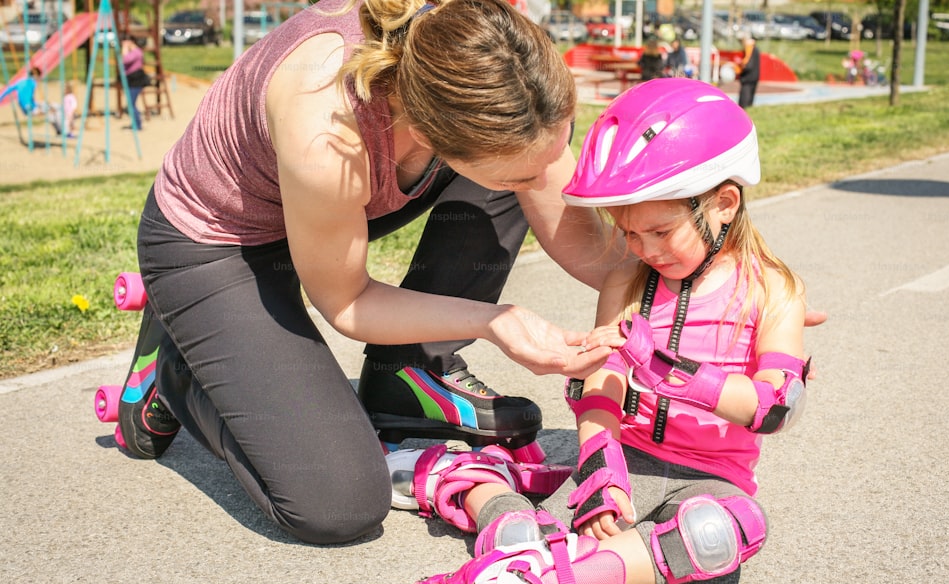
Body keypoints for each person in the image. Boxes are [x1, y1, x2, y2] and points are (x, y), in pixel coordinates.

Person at [109, 0, 618, 546]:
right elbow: (348, 301)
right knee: (339, 502)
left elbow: (594, 247)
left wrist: (677, 285)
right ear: (428, 132)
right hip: (219, 243)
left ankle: (407, 374)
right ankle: (183, 365)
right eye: (529, 172)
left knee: (514, 173)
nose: (550, 179)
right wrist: (496, 320)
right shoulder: (325, 127)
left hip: (330, 210)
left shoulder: (486, 55)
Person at [389, 78, 811, 584]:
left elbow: (774, 408)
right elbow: (599, 383)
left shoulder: (775, 292)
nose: (644, 249)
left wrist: (668, 368)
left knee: (728, 532)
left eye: (660, 232)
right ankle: (469, 489)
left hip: (711, 474)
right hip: (628, 460)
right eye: (630, 232)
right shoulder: (627, 277)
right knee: (525, 535)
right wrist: (600, 467)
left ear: (723, 202)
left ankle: (540, 581)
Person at [120, 37, 150, 130]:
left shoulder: (136, 52)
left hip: (135, 81)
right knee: (131, 104)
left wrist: (125, 48)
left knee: (131, 104)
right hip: (131, 80)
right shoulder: (135, 52)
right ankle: (136, 123)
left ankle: (137, 124)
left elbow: (124, 60)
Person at [737, 35, 761, 108]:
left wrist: (740, 69)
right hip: (754, 77)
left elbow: (748, 64)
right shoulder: (755, 48)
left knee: (744, 102)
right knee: (750, 100)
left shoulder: (749, 48)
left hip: (747, 78)